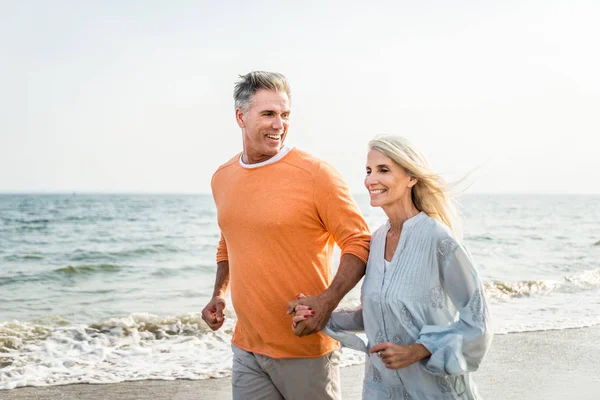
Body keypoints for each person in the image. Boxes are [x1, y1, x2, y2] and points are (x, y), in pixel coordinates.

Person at [201, 71, 371, 400]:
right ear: (241, 116)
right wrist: (219, 293)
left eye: (285, 114)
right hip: (247, 349)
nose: (279, 124)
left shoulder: (315, 174)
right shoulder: (222, 178)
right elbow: (229, 241)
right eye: (268, 114)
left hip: (306, 349)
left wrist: (327, 302)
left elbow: (358, 241)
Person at [292, 136, 493, 399]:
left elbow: (478, 321)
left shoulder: (438, 238)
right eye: (368, 171)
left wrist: (418, 350)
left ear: (411, 177)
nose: (370, 180)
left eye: (383, 170)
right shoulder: (375, 241)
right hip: (381, 389)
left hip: (432, 390)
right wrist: (319, 312)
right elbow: (374, 315)